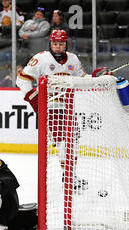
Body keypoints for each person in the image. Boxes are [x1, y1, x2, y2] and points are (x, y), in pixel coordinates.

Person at [16, 29, 88, 191]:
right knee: (63, 142)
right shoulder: (41, 58)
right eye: (54, 44)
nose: (57, 47)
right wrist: (34, 99)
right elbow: (21, 80)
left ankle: (70, 175)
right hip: (51, 109)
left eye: (61, 44)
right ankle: (69, 178)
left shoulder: (73, 60)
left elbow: (83, 80)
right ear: (50, 43)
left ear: (66, 44)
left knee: (73, 141)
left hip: (69, 108)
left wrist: (96, 77)